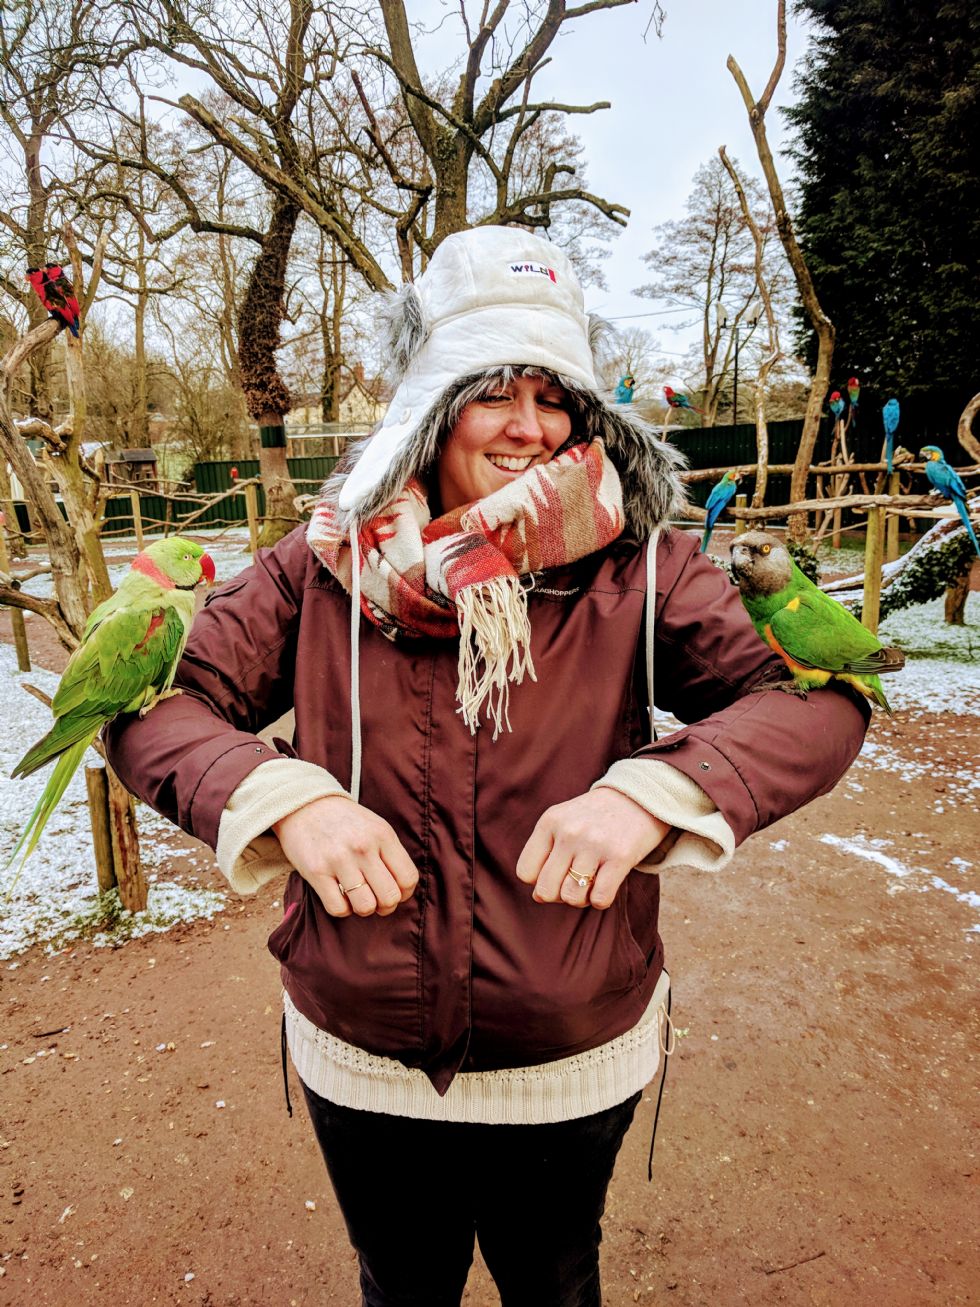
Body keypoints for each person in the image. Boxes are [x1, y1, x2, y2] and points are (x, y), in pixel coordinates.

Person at [105, 226, 868, 1307]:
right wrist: (279, 800)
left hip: (570, 1055)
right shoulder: (319, 563)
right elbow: (156, 705)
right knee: (400, 1285)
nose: (529, 426)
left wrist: (655, 791)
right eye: (491, 392)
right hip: (358, 1048)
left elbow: (812, 706)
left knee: (553, 1284)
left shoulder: (643, 563)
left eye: (553, 396)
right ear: (429, 401)